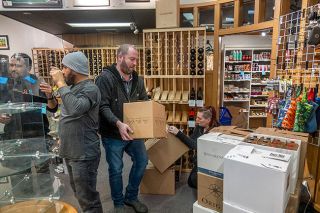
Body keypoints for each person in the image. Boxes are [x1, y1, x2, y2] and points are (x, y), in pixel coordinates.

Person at [40, 51, 103, 213]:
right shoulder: (73, 88)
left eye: (64, 68)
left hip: (84, 153)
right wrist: (51, 95)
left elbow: (75, 109)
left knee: (88, 199)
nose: (62, 71)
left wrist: (61, 83)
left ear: (74, 69)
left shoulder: (90, 88)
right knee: (80, 194)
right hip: (72, 151)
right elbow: (64, 110)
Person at [96, 44, 148, 213]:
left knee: (142, 161)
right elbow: (102, 107)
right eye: (132, 59)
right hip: (112, 133)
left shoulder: (138, 80)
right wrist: (118, 124)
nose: (135, 63)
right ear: (120, 57)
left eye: (136, 60)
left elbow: (144, 104)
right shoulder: (105, 78)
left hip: (133, 131)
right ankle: (118, 203)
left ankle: (131, 197)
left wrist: (150, 124)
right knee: (116, 169)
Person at [168, 106, 219, 189]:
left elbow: (196, 146)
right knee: (191, 182)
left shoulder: (215, 131)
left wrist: (178, 133)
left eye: (199, 118)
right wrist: (177, 135)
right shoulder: (199, 127)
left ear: (208, 120)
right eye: (196, 117)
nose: (196, 120)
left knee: (196, 183)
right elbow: (191, 141)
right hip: (199, 160)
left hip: (210, 162)